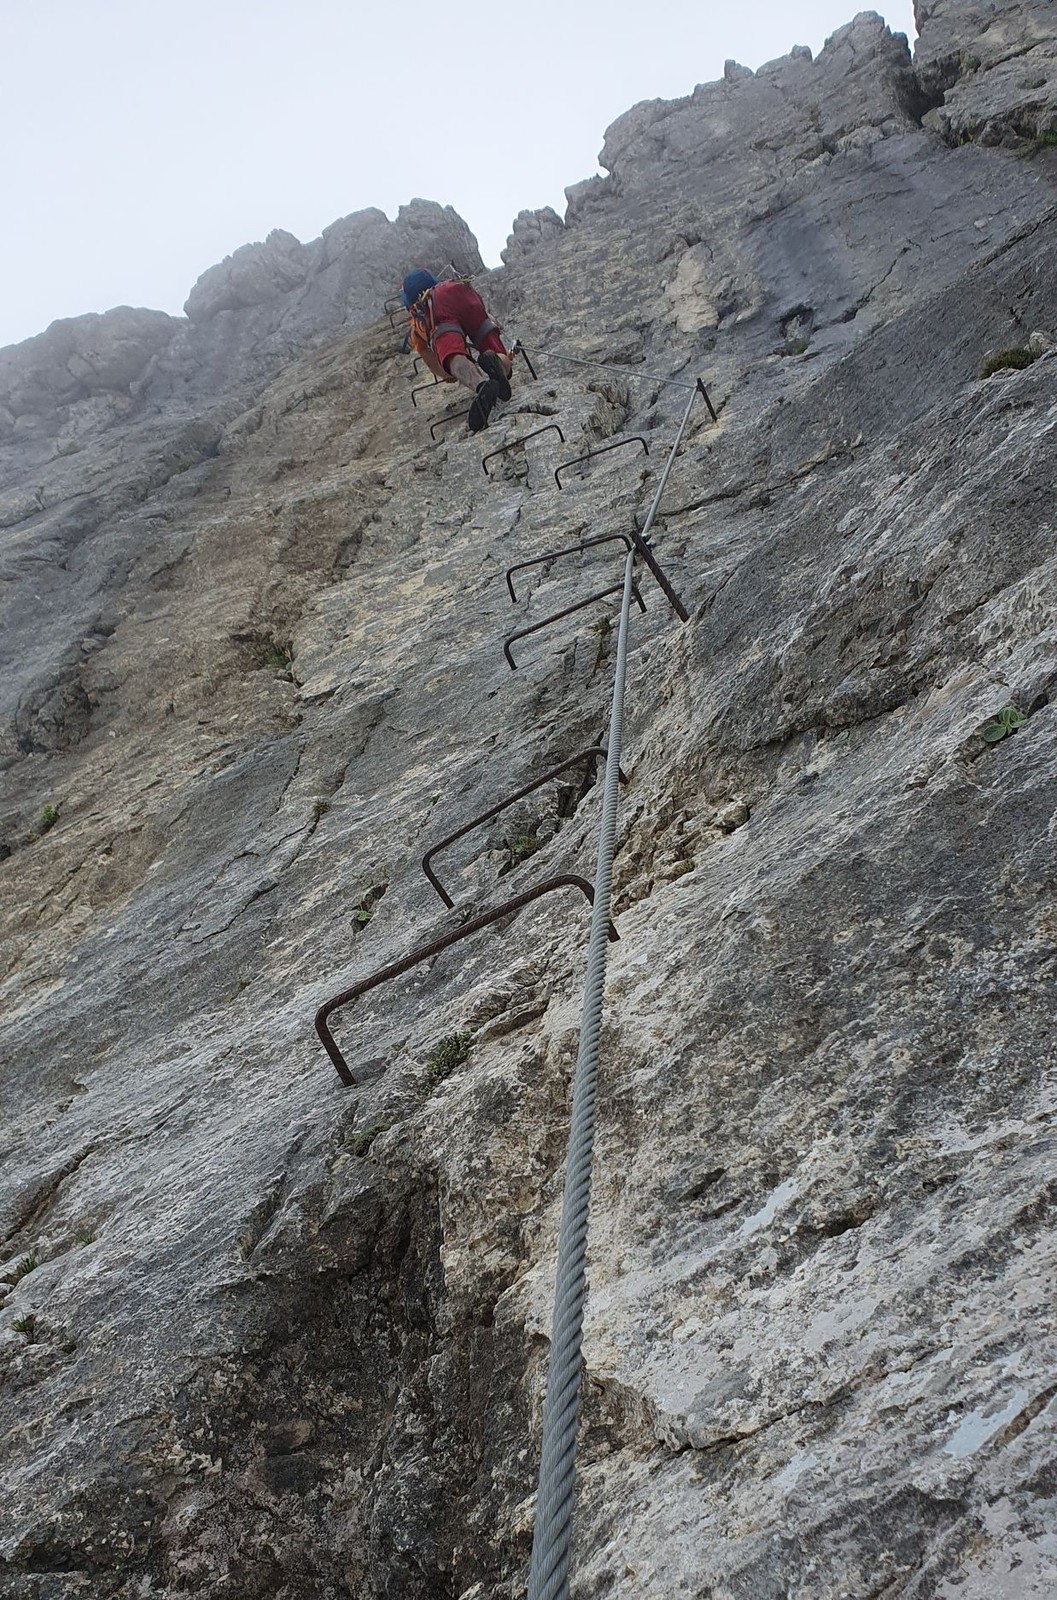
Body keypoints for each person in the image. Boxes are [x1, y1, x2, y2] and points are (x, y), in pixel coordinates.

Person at [402, 269, 514, 433]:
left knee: (453, 357)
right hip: (464, 293)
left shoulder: (418, 318)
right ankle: (499, 363)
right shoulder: (449, 286)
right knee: (492, 348)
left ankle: (481, 385)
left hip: (435, 307)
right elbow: (488, 318)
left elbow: (430, 358)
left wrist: (448, 372)